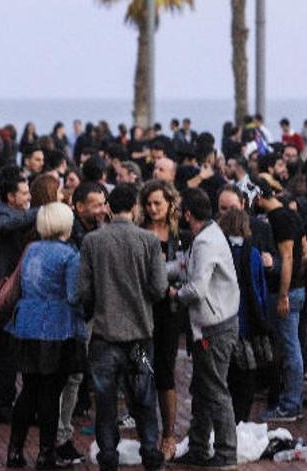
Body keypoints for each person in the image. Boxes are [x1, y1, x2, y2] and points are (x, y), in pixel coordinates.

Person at [79, 184, 168, 471]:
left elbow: (84, 290)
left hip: (105, 336)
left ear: (108, 207)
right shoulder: (149, 241)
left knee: (104, 401)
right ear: (136, 208)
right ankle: (151, 452)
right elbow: (159, 288)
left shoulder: (93, 241)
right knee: (144, 396)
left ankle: (108, 456)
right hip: (140, 337)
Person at [5, 202, 87, 469]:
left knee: (29, 389)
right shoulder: (69, 254)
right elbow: (75, 295)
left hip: (26, 323)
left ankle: (15, 450)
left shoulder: (31, 250)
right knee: (51, 392)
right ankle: (45, 452)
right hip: (58, 325)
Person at [169, 187, 240, 469]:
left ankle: (225, 453)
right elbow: (183, 266)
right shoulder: (204, 236)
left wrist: (175, 294)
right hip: (210, 325)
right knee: (203, 388)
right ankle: (199, 446)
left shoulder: (206, 241)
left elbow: (196, 288)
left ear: (188, 213)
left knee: (215, 390)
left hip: (214, 327)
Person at [0, 170, 37, 423]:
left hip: (4, 292)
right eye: (24, 193)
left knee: (7, 354)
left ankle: (3, 401)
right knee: (4, 354)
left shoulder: (8, 213)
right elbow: (6, 225)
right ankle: (0, 406)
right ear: (10, 196)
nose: (28, 198)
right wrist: (42, 211)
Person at [138, 180, 186, 460]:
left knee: (165, 372)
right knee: (142, 369)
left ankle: (169, 434)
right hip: (142, 311)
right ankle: (149, 431)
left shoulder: (179, 235)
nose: (153, 208)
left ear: (169, 204)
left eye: (158, 203)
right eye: (149, 203)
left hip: (169, 311)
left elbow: (187, 270)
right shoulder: (140, 232)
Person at [254, 179, 307, 422]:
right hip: (294, 288)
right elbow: (304, 251)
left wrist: (284, 293)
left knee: (289, 346)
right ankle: (289, 400)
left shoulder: (279, 218)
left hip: (286, 291)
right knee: (288, 346)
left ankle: (291, 404)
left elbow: (287, 258)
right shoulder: (290, 214)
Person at [219, 208, 269, 423]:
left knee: (225, 376)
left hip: (223, 320)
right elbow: (261, 290)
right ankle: (241, 419)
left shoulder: (220, 250)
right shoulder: (254, 253)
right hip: (247, 322)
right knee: (246, 376)